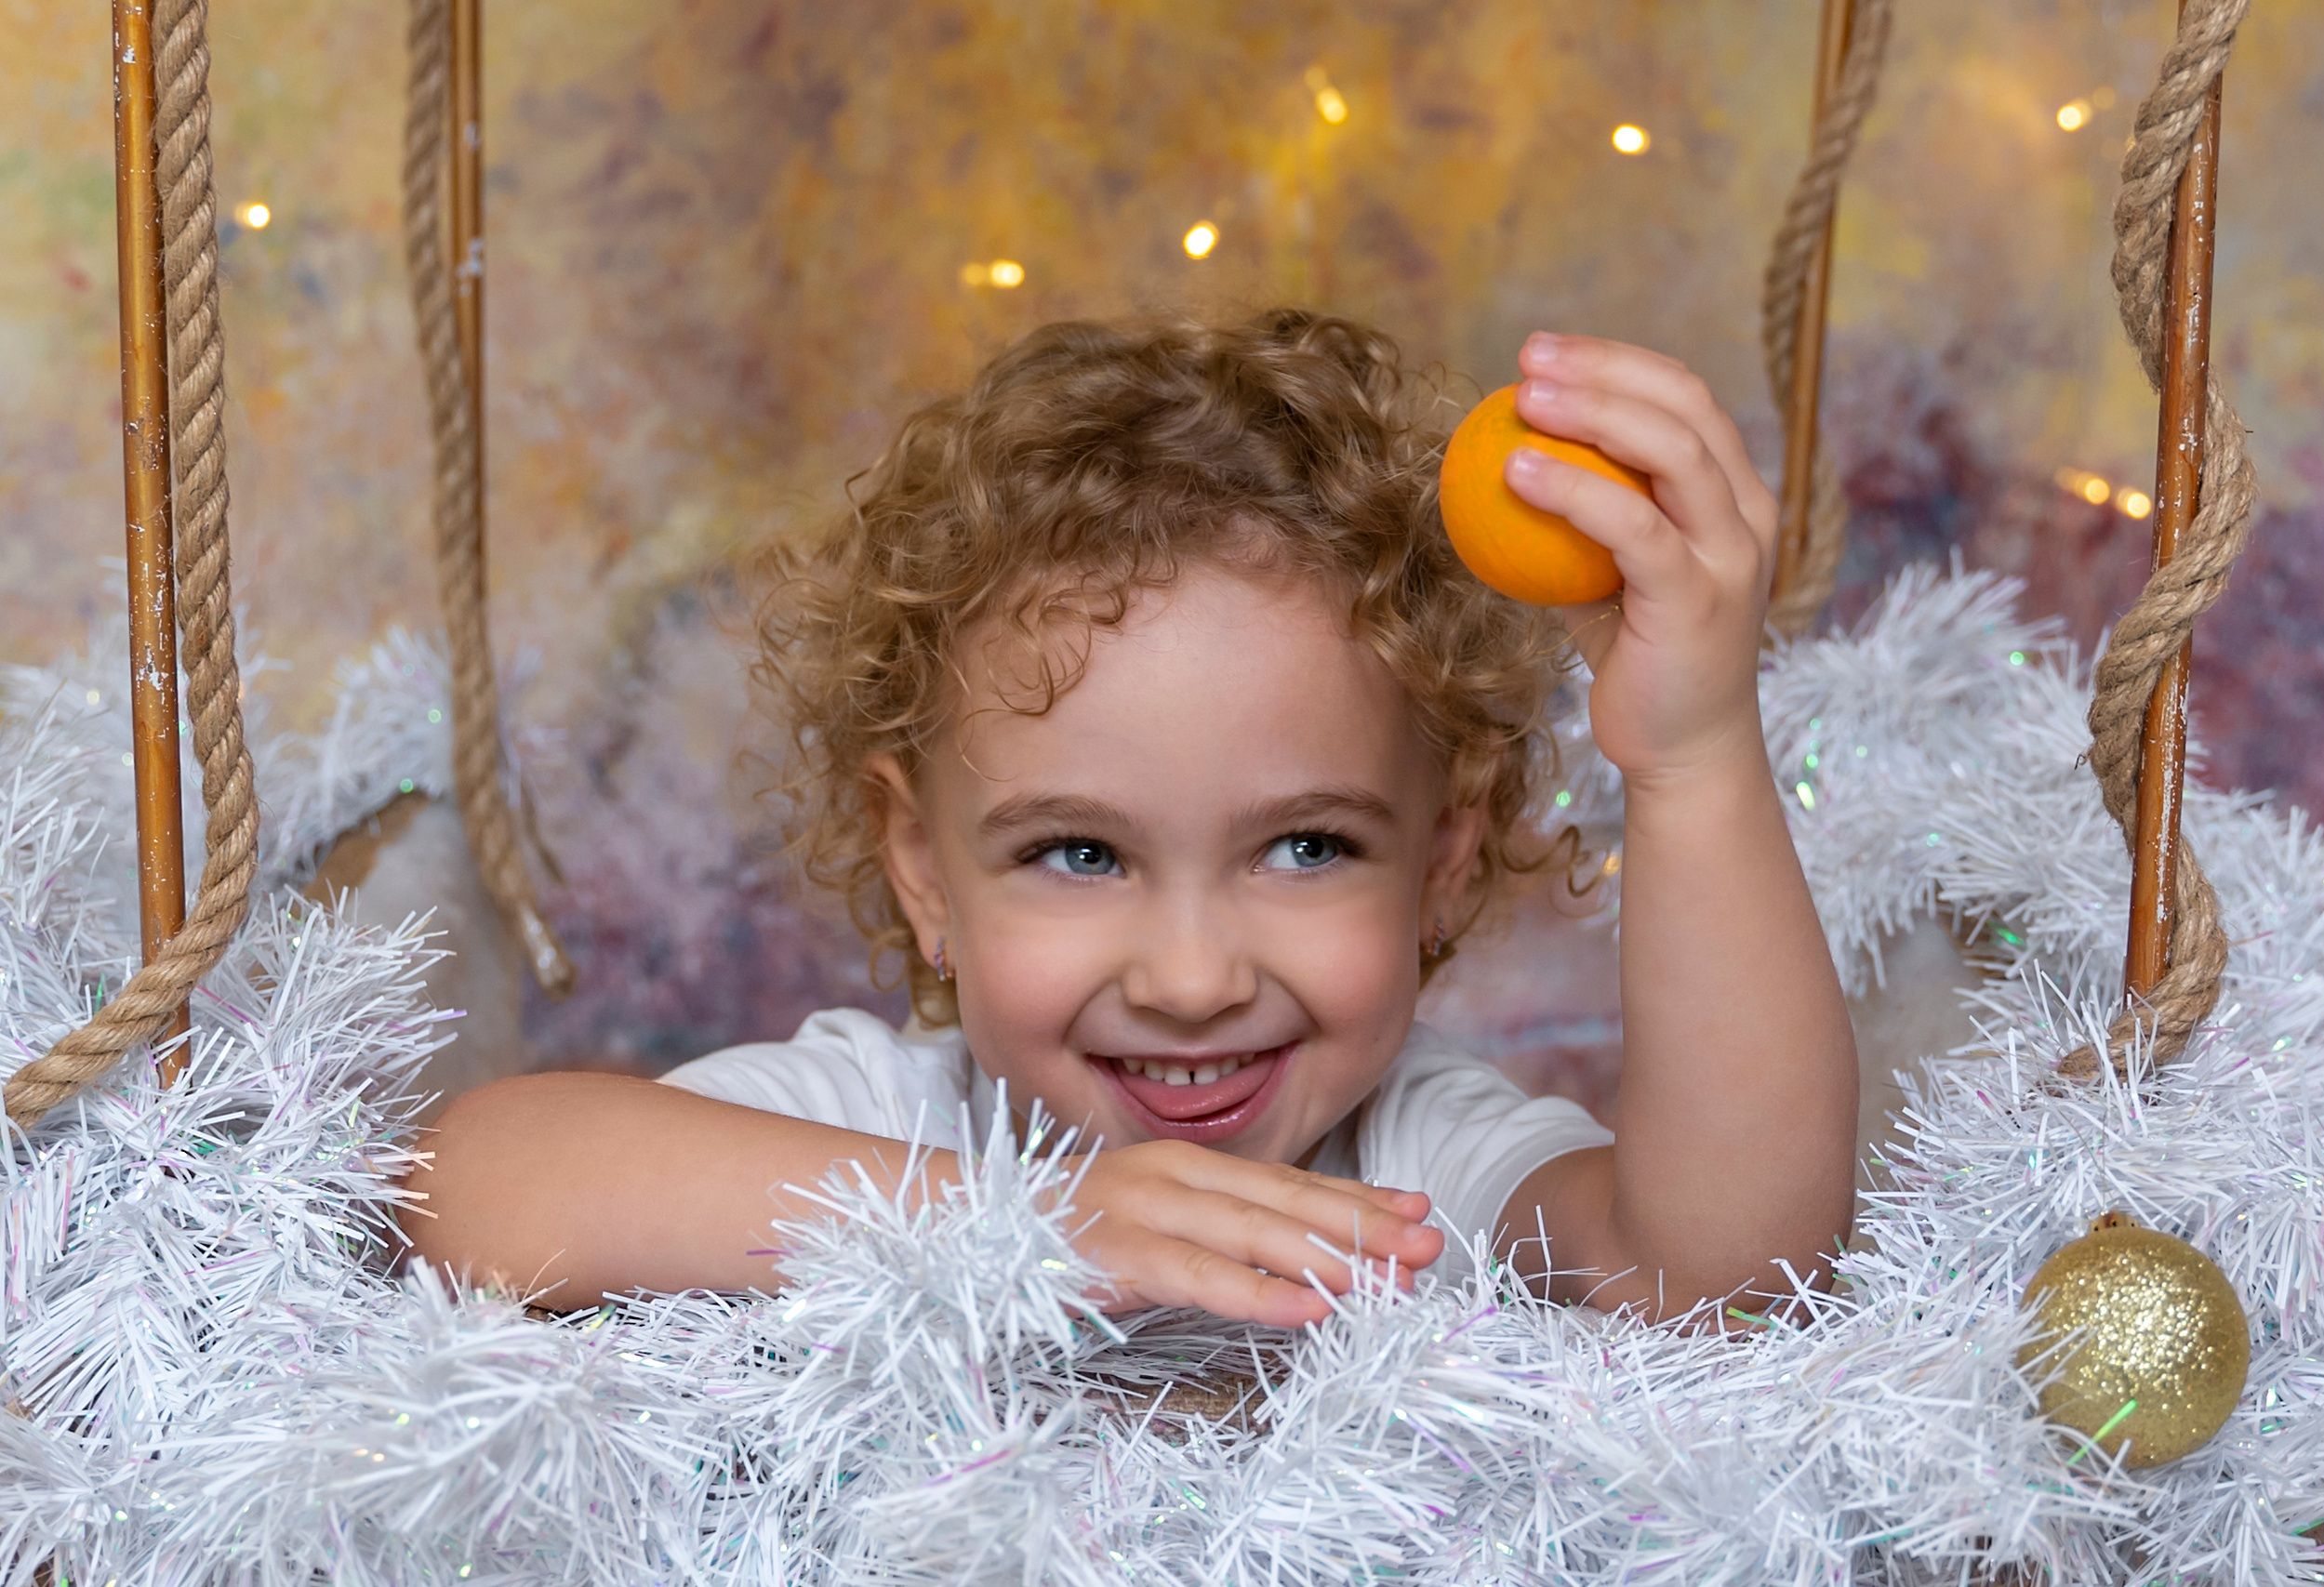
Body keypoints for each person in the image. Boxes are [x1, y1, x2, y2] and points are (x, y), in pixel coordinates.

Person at [399, 311, 1856, 1327]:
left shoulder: (1418, 1171)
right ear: (923, 869)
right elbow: (469, 1191)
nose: (1191, 978)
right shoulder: (900, 1124)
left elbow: (1722, 1279)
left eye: (1307, 847)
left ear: (1447, 857)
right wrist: (1011, 1220)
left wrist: (1696, 755)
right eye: (1079, 853)